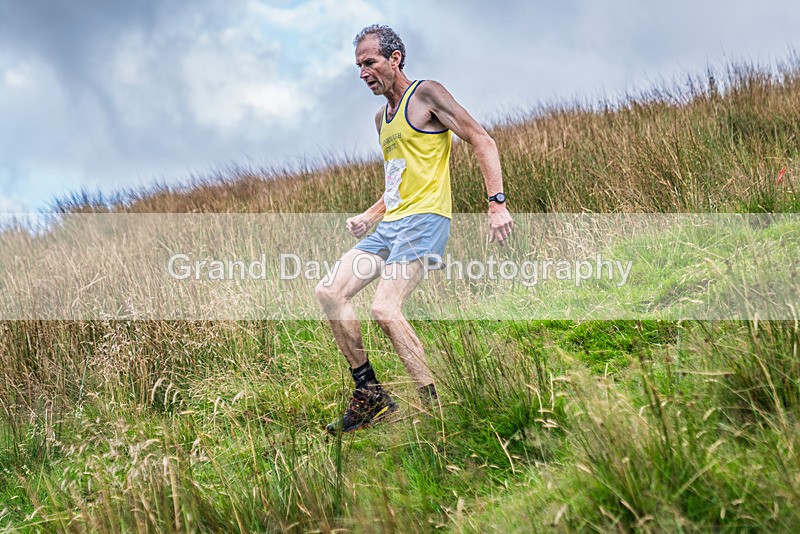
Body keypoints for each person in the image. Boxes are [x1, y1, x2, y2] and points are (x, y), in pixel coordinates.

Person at [316, 24, 513, 433]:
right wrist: (371, 215)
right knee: (329, 292)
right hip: (391, 224)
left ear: (395, 59)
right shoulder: (381, 119)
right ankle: (370, 394)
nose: (363, 73)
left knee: (384, 310)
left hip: (425, 221)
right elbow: (397, 181)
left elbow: (482, 139)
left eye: (369, 62)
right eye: (358, 66)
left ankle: (434, 408)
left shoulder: (427, 95)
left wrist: (496, 204)